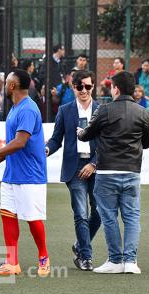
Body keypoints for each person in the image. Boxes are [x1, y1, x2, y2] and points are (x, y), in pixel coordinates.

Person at [77, 71, 149, 274]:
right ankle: (130, 261)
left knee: (109, 217)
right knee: (131, 217)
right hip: (131, 172)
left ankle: (115, 260)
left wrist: (79, 132)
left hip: (106, 173)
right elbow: (147, 143)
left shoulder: (104, 110)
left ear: (116, 89)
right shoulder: (142, 112)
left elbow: (85, 136)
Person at [0, 69, 50, 276]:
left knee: (33, 218)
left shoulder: (28, 109)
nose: (3, 82)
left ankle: (44, 258)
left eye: (6, 80)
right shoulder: (15, 108)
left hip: (30, 176)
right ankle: (12, 263)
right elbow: (13, 144)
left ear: (12, 86)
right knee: (7, 215)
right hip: (12, 174)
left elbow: (20, 142)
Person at [45, 70, 101, 271]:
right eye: (80, 87)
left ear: (93, 86)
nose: (84, 90)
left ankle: (79, 245)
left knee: (100, 212)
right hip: (74, 167)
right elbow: (55, 139)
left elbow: (106, 143)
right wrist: (46, 149)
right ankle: (86, 256)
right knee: (80, 212)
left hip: (97, 167)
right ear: (73, 87)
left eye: (88, 86)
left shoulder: (102, 109)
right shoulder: (65, 110)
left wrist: (93, 164)